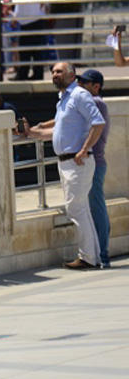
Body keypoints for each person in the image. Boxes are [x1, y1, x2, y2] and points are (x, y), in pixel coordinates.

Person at [25, 63, 105, 269]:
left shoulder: (79, 95)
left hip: (77, 161)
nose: (54, 75)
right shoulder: (63, 99)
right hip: (66, 162)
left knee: (76, 209)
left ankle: (88, 258)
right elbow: (55, 133)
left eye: (59, 72)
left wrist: (83, 149)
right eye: (52, 72)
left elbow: (98, 123)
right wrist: (29, 133)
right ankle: (93, 257)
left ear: (71, 75)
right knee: (82, 209)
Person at [75, 69, 111, 269]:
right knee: (96, 206)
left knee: (96, 207)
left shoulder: (95, 102)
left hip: (94, 161)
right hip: (94, 162)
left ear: (96, 86)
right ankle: (101, 251)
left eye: (85, 83)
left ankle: (103, 254)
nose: (80, 86)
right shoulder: (91, 102)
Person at [2, 0, 49, 81]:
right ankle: (34, 75)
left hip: (32, 23)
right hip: (29, 23)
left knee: (28, 51)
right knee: (30, 51)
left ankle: (25, 75)